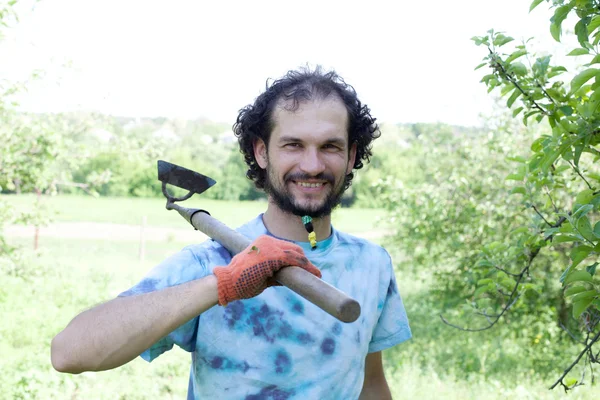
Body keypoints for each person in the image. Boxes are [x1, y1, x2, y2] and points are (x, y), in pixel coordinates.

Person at [51, 66, 412, 399]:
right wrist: (220, 285)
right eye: (293, 145)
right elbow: (69, 353)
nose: (312, 165)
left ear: (350, 156)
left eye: (330, 146)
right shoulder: (210, 262)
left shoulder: (372, 264)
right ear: (262, 152)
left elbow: (371, 383)